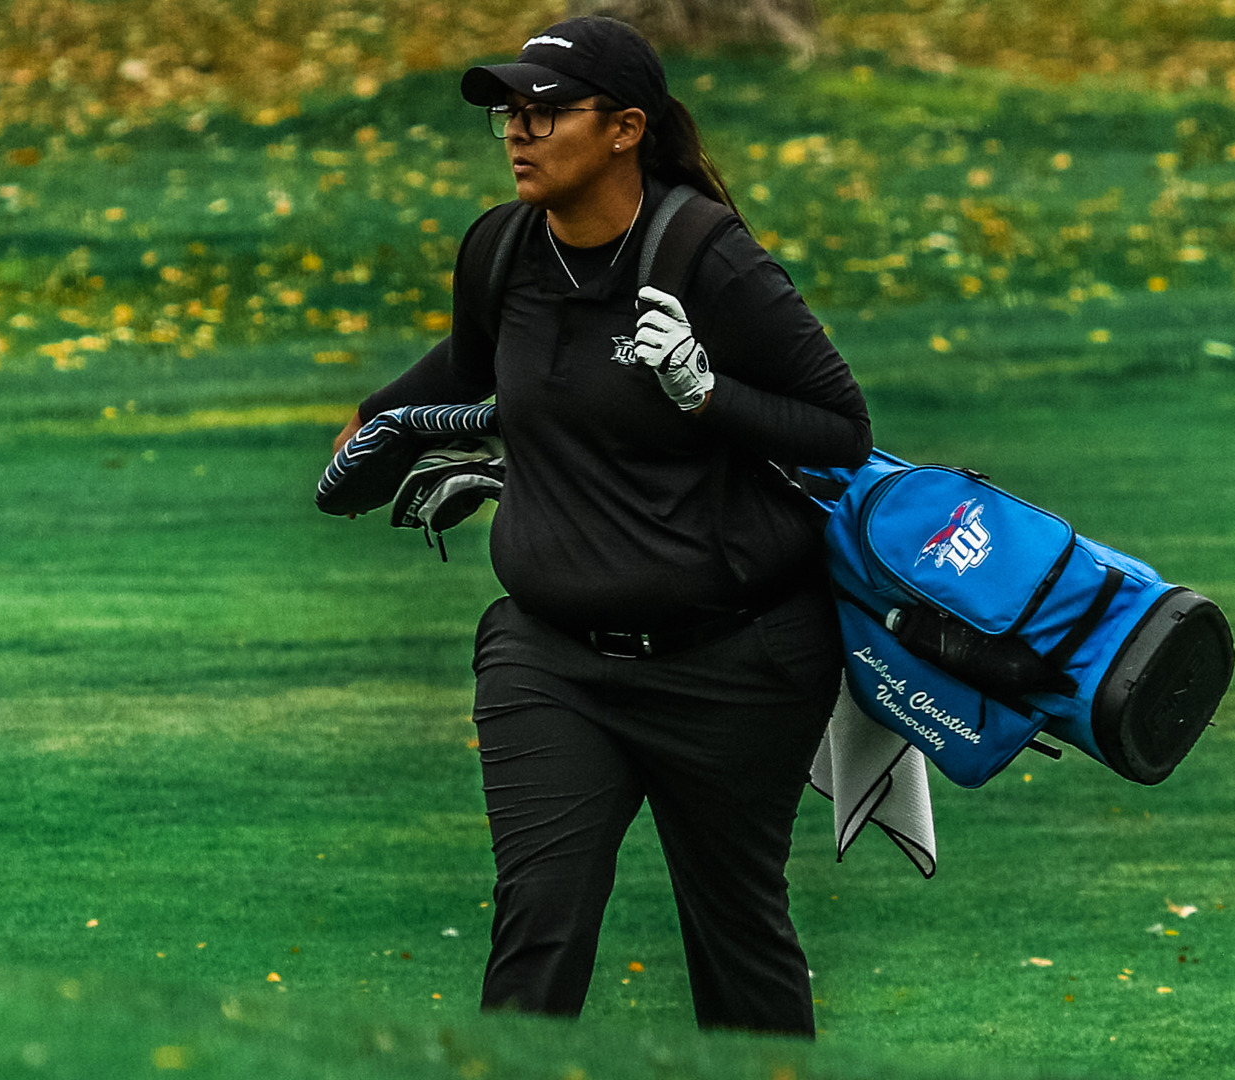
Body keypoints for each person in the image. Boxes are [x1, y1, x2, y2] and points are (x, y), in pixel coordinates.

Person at [329, 15, 870, 1036]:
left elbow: (839, 430)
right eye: (507, 115)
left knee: (737, 943)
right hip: (551, 658)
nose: (519, 133)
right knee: (539, 926)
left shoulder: (709, 259)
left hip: (736, 662)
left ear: (625, 128)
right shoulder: (500, 250)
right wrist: (368, 429)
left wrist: (707, 394)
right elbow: (470, 366)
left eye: (545, 111)